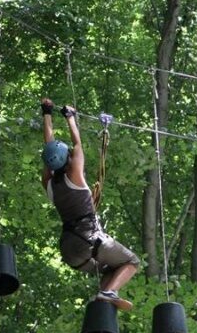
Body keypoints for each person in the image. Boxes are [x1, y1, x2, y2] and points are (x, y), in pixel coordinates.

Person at [40, 98, 139, 311]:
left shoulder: (49, 184)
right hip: (88, 242)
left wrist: (46, 113)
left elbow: (49, 150)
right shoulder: (75, 175)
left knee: (113, 270)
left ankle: (102, 305)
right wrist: (71, 118)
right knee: (132, 262)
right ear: (68, 159)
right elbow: (77, 145)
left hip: (71, 252)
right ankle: (107, 293)